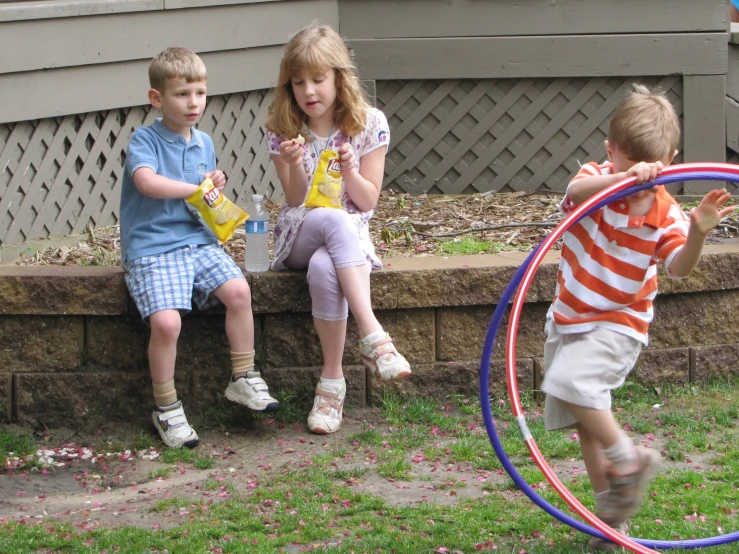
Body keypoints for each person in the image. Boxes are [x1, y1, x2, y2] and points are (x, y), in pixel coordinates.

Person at [541, 83, 735, 550]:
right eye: (629, 168)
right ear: (611, 153)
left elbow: (679, 270)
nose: (642, 181)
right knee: (586, 423)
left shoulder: (667, 215)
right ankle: (612, 516)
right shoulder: (596, 180)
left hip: (618, 324)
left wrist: (697, 234)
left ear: (672, 158)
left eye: (651, 171)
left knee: (570, 385)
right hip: (570, 316)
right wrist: (620, 180)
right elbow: (573, 191)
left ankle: (627, 457)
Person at [120, 47, 280, 449]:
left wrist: (213, 184)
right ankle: (166, 406)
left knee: (239, 291)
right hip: (154, 248)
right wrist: (196, 188)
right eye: (182, 94)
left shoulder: (204, 141)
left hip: (198, 243)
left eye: (200, 93)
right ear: (157, 98)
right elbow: (146, 182)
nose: (193, 103)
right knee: (167, 324)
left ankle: (243, 377)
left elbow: (201, 193)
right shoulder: (146, 140)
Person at [264, 23, 411, 435]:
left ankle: (331, 386)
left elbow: (366, 201)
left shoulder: (369, 123)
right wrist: (294, 164)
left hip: (348, 235)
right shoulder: (282, 127)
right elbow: (296, 201)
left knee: (324, 269)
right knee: (330, 218)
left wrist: (349, 170)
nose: (308, 91)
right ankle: (374, 336)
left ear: (338, 78)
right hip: (299, 230)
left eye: (318, 79)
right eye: (298, 82)